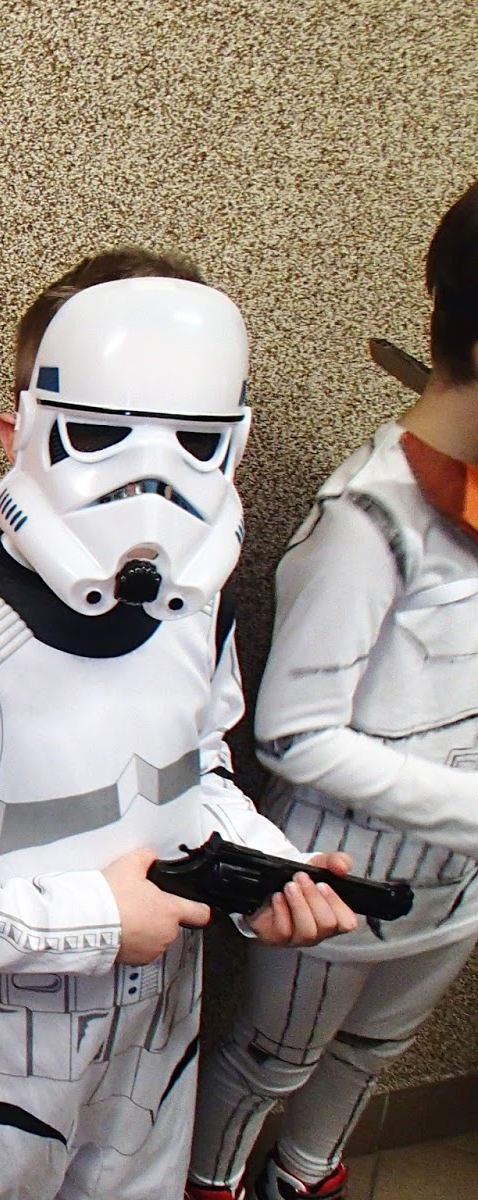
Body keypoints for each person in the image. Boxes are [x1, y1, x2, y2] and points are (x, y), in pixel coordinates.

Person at [0, 250, 358, 1200]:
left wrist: (265, 872)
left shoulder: (200, 616)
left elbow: (197, 773)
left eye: (194, 444)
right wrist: (92, 923)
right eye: (103, 435)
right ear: (20, 433)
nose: (149, 488)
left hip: (158, 1027)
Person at [187, 180, 478, 1200]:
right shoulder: (369, 516)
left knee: (370, 1053)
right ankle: (214, 1182)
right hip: (341, 873)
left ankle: (308, 1174)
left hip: (455, 883)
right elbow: (294, 735)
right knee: (274, 1058)